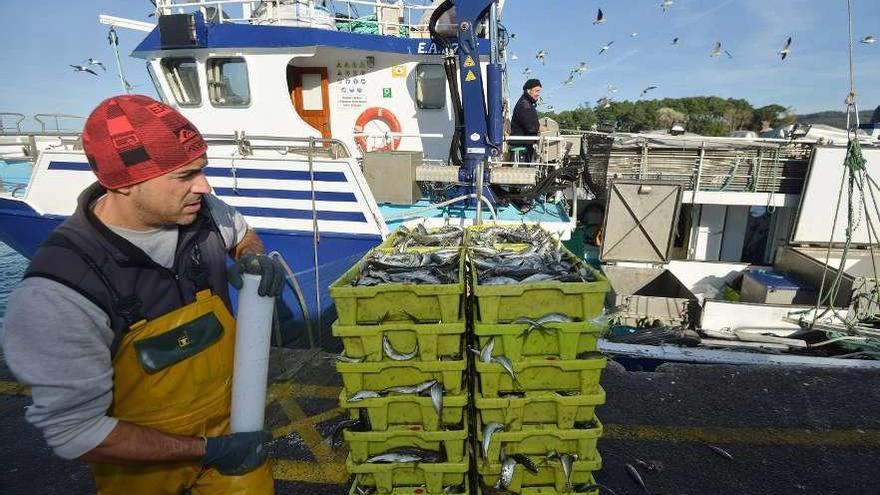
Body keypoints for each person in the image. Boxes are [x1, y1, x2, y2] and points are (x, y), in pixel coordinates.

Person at [1, 95, 286, 494]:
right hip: (139, 466)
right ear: (125, 183)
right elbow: (77, 433)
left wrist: (253, 258)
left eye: (201, 171)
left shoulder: (204, 214)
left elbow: (241, 234)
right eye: (185, 176)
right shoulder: (57, 292)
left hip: (233, 432)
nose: (204, 186)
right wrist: (208, 450)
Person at [509, 78, 542, 162]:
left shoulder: (527, 103)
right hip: (521, 148)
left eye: (539, 91)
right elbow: (532, 127)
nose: (538, 94)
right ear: (528, 90)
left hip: (525, 146)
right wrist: (546, 129)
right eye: (536, 91)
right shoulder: (525, 105)